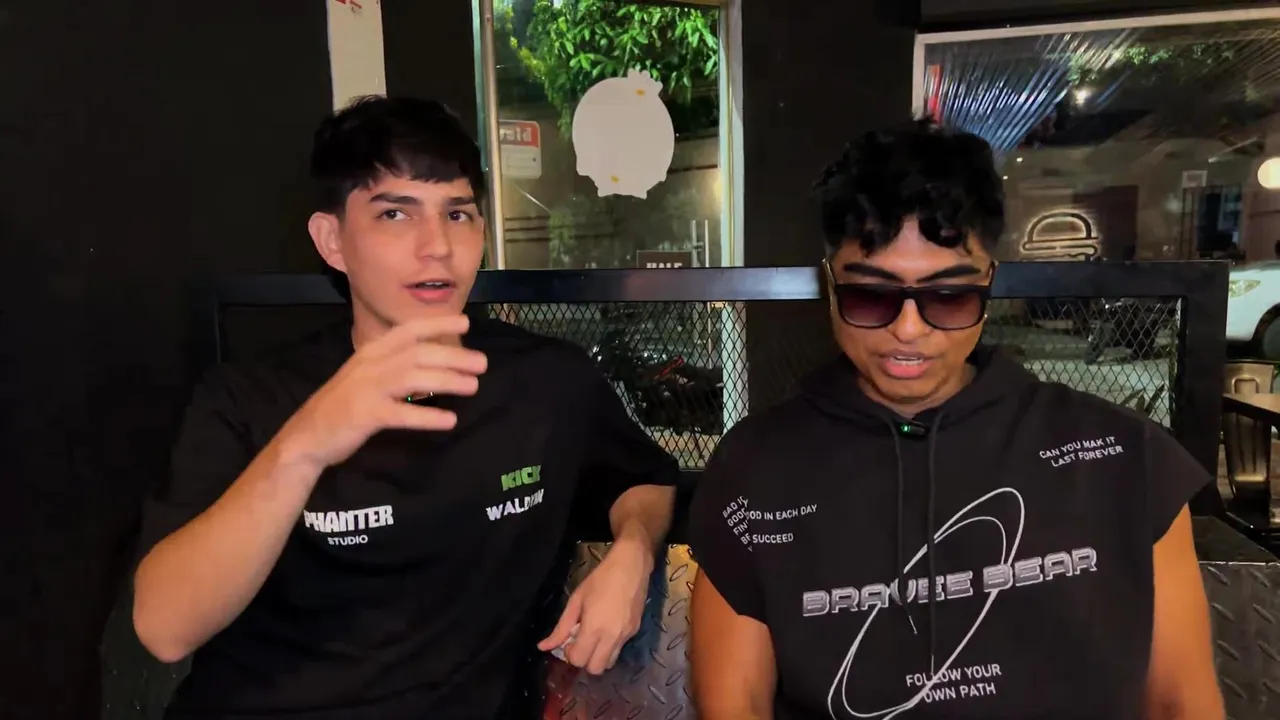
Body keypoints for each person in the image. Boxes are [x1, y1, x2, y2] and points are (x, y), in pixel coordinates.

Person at [132, 96, 679, 719]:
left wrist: (633, 553)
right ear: (332, 240)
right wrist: (305, 445)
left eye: (457, 214)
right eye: (395, 213)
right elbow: (164, 627)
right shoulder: (249, 397)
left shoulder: (547, 380)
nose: (436, 246)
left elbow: (643, 479)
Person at [687, 120, 1224, 719]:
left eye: (948, 296)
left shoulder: (1123, 456)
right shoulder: (756, 467)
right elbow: (733, 707)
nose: (908, 330)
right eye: (871, 295)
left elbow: (1183, 703)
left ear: (988, 283)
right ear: (829, 284)